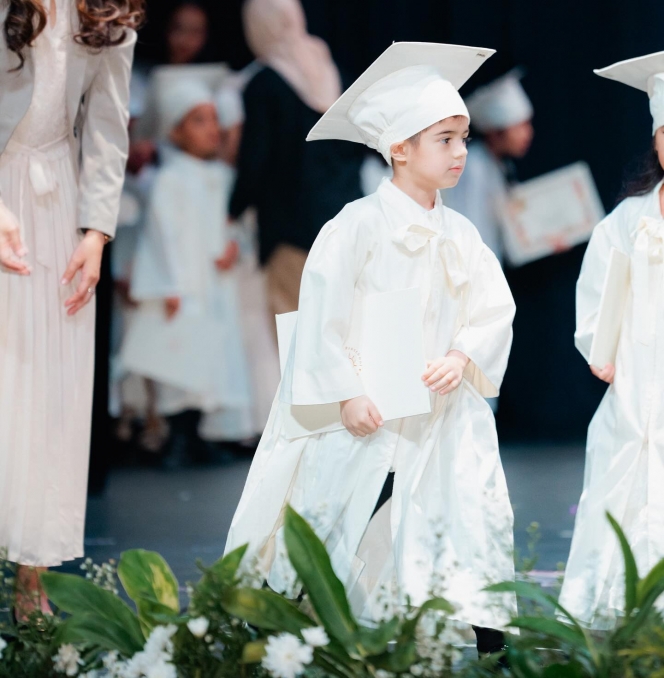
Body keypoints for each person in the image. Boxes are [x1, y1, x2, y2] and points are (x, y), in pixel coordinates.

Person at [225, 42, 517, 655]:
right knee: (340, 502)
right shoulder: (354, 226)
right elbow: (320, 322)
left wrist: (463, 354)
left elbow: (493, 308)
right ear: (399, 148)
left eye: (464, 137)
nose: (461, 151)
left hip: (438, 405)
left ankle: (480, 619)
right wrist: (347, 392)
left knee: (462, 501)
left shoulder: (459, 235)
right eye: (445, 139)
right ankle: (291, 609)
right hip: (366, 404)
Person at [0, 0, 140, 617]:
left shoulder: (108, 12)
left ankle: (32, 585)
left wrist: (96, 231)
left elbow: (109, 124)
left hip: (57, 200)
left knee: (48, 392)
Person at [559, 51, 664, 629]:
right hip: (634, 386)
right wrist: (600, 349)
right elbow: (595, 293)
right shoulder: (627, 221)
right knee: (622, 483)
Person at [121, 65, 254, 455]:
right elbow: (160, 237)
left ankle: (202, 435)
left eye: (214, 120)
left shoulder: (221, 176)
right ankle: (177, 435)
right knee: (182, 361)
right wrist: (168, 284)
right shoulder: (170, 179)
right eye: (199, 121)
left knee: (213, 358)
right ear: (176, 130)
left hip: (215, 283)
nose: (212, 129)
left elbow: (232, 225)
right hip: (184, 285)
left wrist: (235, 246)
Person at [231, 0, 364, 323]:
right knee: (346, 341)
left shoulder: (265, 85)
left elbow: (256, 161)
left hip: (292, 234)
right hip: (348, 229)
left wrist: (231, 210)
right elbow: (359, 149)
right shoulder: (336, 74)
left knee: (299, 345)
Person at [444, 70, 534, 263]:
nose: (528, 134)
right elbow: (470, 225)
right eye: (519, 127)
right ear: (496, 132)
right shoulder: (473, 165)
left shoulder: (498, 164)